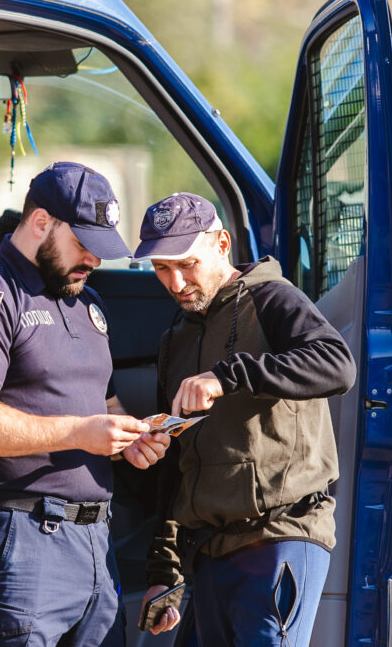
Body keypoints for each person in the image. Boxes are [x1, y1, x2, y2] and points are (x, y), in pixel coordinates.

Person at [0, 162, 170, 646]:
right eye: (83, 244)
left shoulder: (89, 304)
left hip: (93, 545)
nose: (93, 260)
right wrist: (79, 434)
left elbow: (101, 403)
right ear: (41, 222)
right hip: (19, 543)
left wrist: (131, 437)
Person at [136, 193, 356, 645]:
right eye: (161, 268)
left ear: (221, 243)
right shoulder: (173, 340)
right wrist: (164, 572)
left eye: (186, 264)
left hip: (282, 537)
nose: (175, 282)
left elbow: (338, 365)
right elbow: (175, 471)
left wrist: (228, 375)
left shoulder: (273, 298)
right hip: (211, 554)